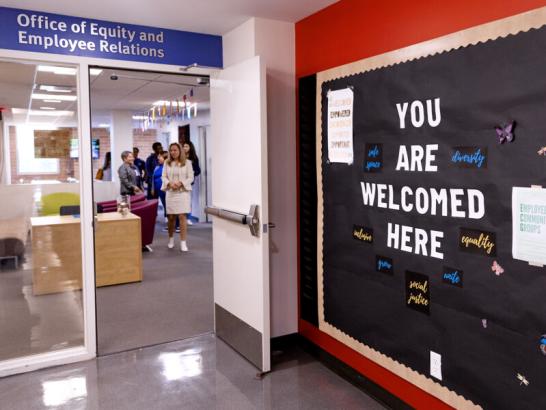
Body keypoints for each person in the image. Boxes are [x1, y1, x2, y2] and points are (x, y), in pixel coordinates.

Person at [161, 143, 194, 251]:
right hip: (171, 192)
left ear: (180, 151)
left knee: (182, 217)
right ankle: (171, 239)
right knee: (171, 218)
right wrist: (169, 183)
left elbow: (191, 177)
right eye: (171, 150)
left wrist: (181, 183)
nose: (173, 152)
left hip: (183, 192)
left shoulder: (187, 162)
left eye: (175, 150)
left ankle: (183, 242)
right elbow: (163, 176)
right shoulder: (167, 162)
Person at [182, 141, 201, 225]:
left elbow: (198, 170)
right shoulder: (180, 157)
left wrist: (192, 173)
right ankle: (180, 219)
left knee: (187, 201)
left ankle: (188, 218)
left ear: (190, 148)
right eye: (184, 146)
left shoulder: (194, 158)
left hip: (189, 182)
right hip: (179, 181)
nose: (185, 148)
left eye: (186, 146)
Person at [153, 152, 168, 223]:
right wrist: (153, 188)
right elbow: (153, 178)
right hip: (159, 190)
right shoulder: (157, 167)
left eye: (160, 157)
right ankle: (167, 218)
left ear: (165, 158)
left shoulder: (168, 167)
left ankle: (170, 221)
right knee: (164, 204)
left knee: (168, 204)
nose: (158, 158)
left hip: (166, 189)